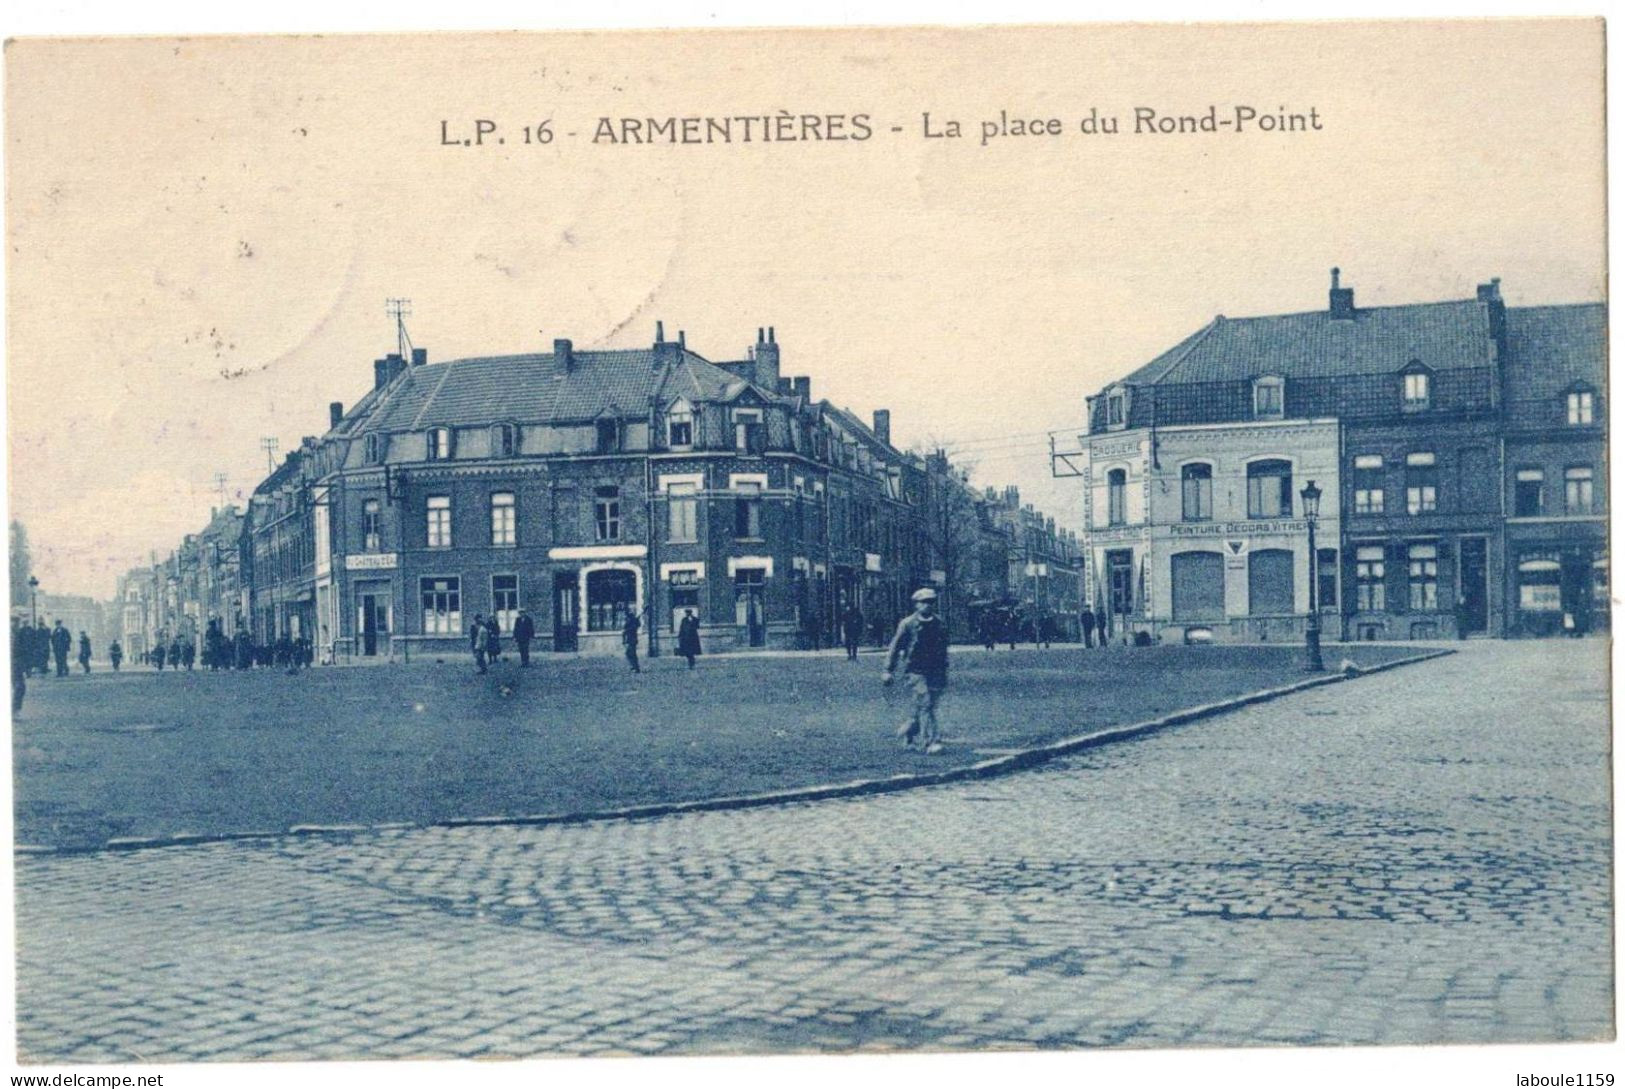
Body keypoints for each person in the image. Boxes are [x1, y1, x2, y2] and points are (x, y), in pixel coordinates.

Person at [883, 587, 950, 755]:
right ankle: (931, 742)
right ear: (917, 605)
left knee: (926, 707)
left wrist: (943, 670)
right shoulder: (907, 624)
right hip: (915, 670)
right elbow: (895, 647)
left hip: (935, 670)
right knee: (925, 703)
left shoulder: (939, 623)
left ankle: (907, 732)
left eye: (931, 602)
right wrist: (887, 670)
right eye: (924, 602)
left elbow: (943, 649)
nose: (928, 606)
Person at [11, 617, 27, 715]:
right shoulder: (13, 635)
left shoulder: (18, 634)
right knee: (20, 686)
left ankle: (15, 709)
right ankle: (14, 709)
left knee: (20, 687)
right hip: (14, 664)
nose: (17, 625)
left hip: (17, 664)